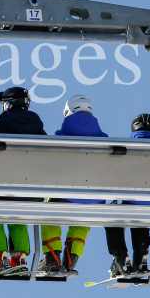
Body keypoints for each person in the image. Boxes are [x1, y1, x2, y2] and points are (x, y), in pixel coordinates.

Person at [39, 95, 107, 276]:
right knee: (83, 218)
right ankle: (71, 260)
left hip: (68, 194)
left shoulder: (62, 136)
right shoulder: (104, 139)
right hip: (95, 198)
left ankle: (52, 258)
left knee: (49, 212)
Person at [0, 87, 45, 274]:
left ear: (8, 104)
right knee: (18, 220)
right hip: (31, 193)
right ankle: (19, 258)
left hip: (3, 191)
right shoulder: (39, 130)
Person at [104, 113, 150, 277]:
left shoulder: (125, 148)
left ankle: (120, 256)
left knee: (114, 213)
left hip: (133, 200)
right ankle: (141, 254)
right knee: (142, 210)